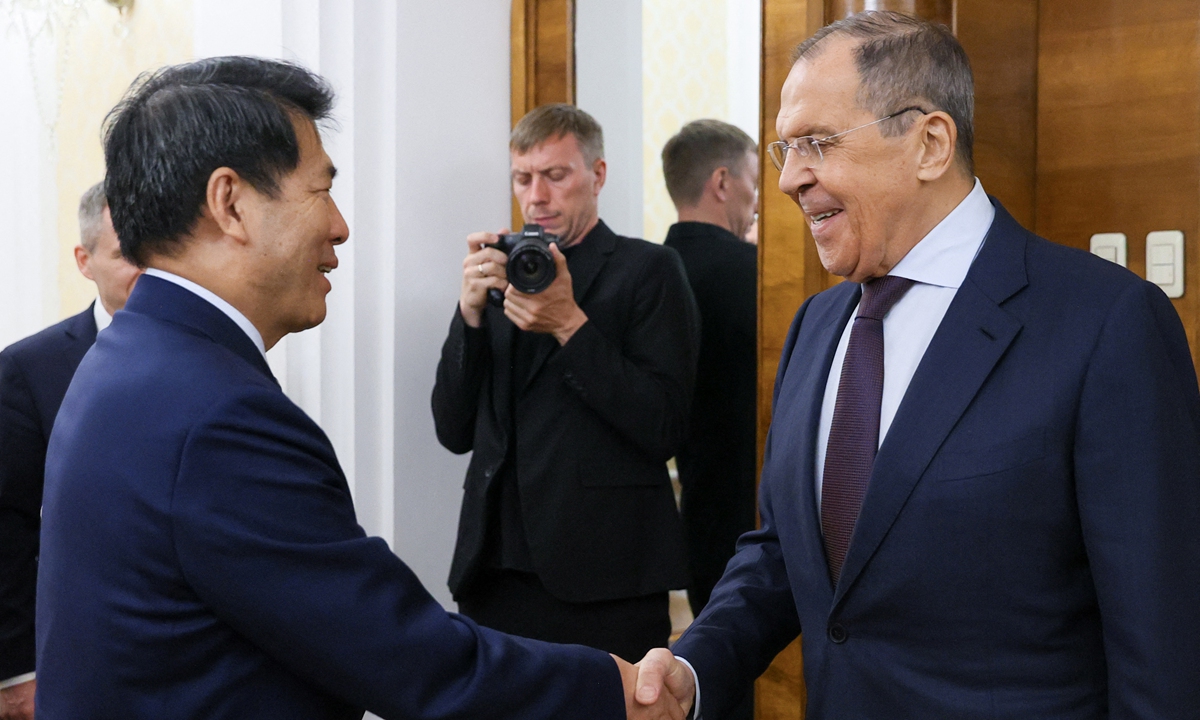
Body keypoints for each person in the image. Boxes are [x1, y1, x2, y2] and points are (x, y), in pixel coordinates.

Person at [36, 57, 684, 720]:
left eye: (555, 175)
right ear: (230, 204)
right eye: (321, 189)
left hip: (604, 577)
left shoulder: (127, 354)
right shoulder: (219, 416)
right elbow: (397, 653)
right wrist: (613, 691)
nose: (340, 226)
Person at [635, 11, 1200, 719]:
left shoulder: (1106, 325)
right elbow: (784, 551)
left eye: (816, 143)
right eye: (786, 150)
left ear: (930, 142)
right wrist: (696, 667)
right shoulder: (815, 325)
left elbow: (1162, 642)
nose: (789, 180)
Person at [432, 103, 699, 663]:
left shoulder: (648, 270)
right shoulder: (500, 270)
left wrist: (569, 326)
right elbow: (453, 430)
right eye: (523, 178)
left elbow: (665, 426)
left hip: (606, 577)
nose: (537, 196)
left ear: (597, 175)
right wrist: (469, 316)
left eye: (556, 175)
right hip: (493, 570)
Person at [0, 183, 141, 720]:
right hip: (73, 664)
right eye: (127, 252)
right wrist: (16, 671)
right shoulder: (29, 368)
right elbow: (8, 527)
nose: (148, 267)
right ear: (85, 261)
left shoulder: (216, 353)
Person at [661, 119, 759, 620]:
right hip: (761, 512)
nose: (758, 200)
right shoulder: (761, 278)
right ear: (722, 183)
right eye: (754, 181)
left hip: (693, 520)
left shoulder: (647, 275)